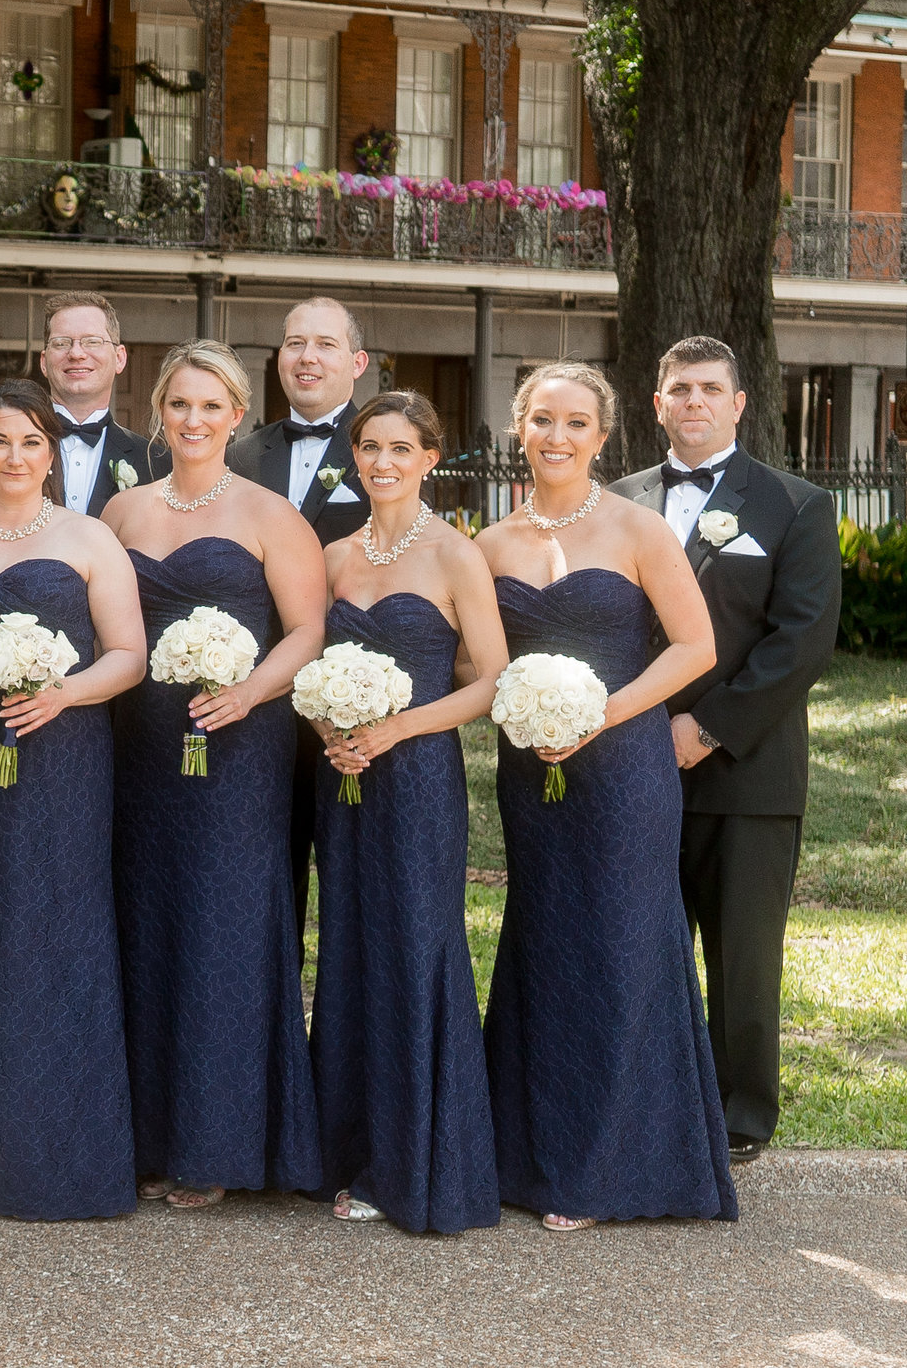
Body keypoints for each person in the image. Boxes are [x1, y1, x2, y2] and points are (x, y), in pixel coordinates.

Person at [476, 361, 732, 1231]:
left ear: (603, 435)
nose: (557, 437)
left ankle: (608, 1168)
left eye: (575, 423)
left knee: (620, 944)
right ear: (520, 427)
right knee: (544, 943)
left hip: (621, 767)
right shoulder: (490, 543)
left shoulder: (638, 530)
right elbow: (478, 665)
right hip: (532, 771)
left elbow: (694, 647)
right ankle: (528, 1154)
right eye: (542, 420)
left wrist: (603, 715)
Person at [0, 380, 147, 1221]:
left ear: (53, 454)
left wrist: (65, 694)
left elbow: (129, 655)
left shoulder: (89, 537)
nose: (15, 457)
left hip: (62, 758)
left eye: (32, 442)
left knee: (53, 927)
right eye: (0, 441)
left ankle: (53, 1147)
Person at [102, 340, 326, 1210]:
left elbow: (308, 629)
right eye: (179, 405)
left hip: (238, 749)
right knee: (145, 923)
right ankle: (151, 1134)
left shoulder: (272, 516)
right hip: (140, 748)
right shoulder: (122, 513)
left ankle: (219, 1142)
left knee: (223, 929)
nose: (193, 421)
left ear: (238, 415)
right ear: (159, 413)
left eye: (211, 406)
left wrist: (249, 693)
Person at [612, 337, 841, 1164]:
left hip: (748, 769)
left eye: (712, 390)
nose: (695, 402)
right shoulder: (618, 500)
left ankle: (739, 1117)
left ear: (741, 404)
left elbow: (802, 641)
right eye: (680, 389)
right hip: (630, 761)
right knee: (633, 937)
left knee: (741, 955)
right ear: (657, 402)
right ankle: (641, 1096)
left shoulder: (795, 505)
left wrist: (705, 730)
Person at [306, 392, 504, 1234]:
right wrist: (329, 725)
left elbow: (492, 680)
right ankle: (348, 1149)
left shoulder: (457, 555)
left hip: (419, 774)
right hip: (341, 777)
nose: (383, 462)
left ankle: (420, 1161)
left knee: (416, 948)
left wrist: (394, 730)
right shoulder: (331, 555)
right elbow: (303, 663)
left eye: (401, 448)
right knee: (347, 946)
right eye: (370, 447)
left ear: (431, 458)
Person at [228, 297, 373, 942]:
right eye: (294, 344)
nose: (307, 358)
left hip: (356, 701)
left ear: (357, 362)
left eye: (325, 345)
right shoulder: (236, 457)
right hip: (247, 699)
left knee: (354, 888)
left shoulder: (384, 449)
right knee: (261, 878)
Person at [39, 292, 170, 518]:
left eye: (92, 341)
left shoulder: (156, 464)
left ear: (119, 358)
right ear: (43, 362)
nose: (76, 353)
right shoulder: (0, 450)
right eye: (61, 343)